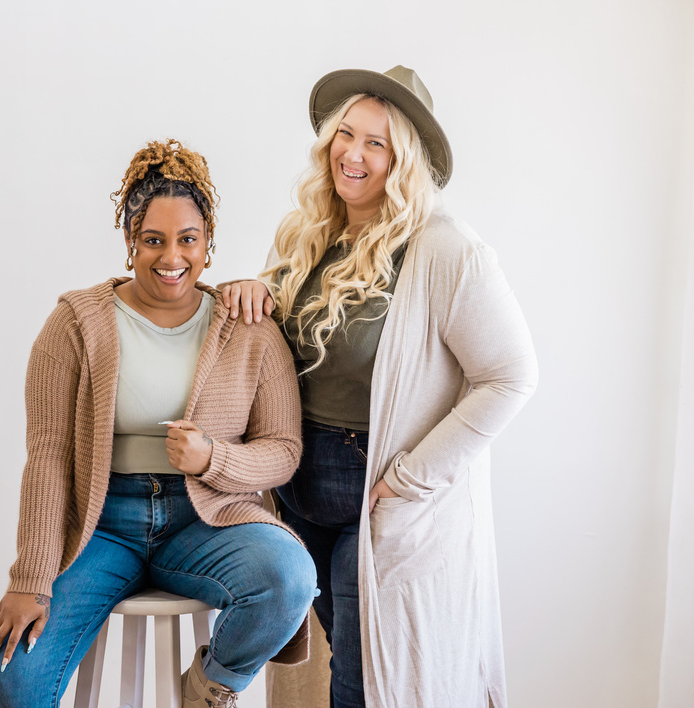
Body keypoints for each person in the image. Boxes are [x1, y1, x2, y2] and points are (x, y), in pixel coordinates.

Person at [221, 66, 538, 707]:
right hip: (297, 489)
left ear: (405, 161)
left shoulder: (447, 251)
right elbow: (283, 353)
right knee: (332, 672)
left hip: (379, 498)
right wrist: (256, 287)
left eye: (377, 143)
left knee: (366, 684)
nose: (353, 154)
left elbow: (509, 377)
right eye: (347, 134)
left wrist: (409, 480)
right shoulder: (308, 234)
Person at [0, 139, 317, 708]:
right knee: (12, 679)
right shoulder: (76, 324)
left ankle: (209, 688)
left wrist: (216, 458)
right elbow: (47, 460)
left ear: (208, 244)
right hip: (101, 524)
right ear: (130, 242)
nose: (171, 257)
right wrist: (29, 580)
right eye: (153, 240)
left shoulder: (250, 327)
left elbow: (283, 450)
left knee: (289, 578)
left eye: (188, 239)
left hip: (205, 519)